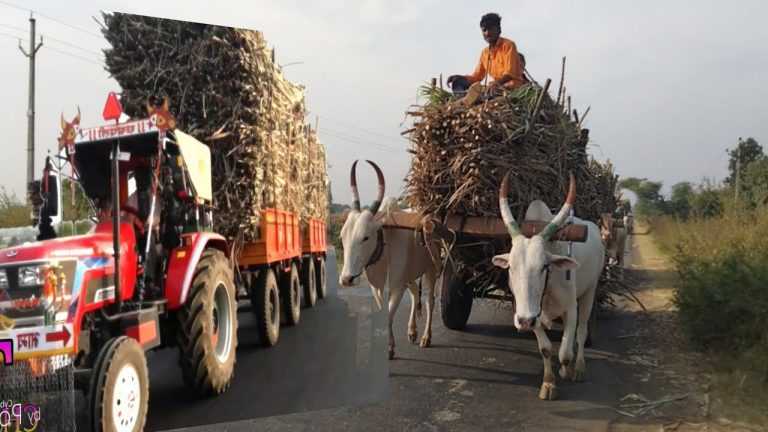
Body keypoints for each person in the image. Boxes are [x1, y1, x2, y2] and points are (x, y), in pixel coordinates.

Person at [447, 13, 527, 99]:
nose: (487, 33)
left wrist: (497, 83)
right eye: (484, 30)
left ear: (499, 29)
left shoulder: (508, 45)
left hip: (510, 88)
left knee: (491, 92)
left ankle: (473, 99)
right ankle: (465, 99)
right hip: (493, 88)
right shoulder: (485, 53)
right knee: (458, 82)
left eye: (491, 29)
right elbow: (476, 77)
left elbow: (510, 73)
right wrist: (460, 77)